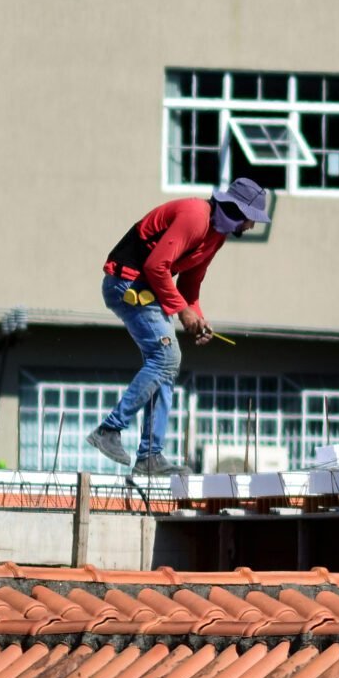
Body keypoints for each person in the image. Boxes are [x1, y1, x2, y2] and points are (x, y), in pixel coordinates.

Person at [88, 178, 273, 477]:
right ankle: (109, 429)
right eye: (252, 219)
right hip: (126, 282)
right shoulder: (195, 216)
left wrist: (197, 317)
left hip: (146, 286)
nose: (252, 226)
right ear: (238, 211)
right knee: (165, 358)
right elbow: (156, 266)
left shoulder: (217, 235)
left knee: (166, 364)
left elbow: (190, 282)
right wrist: (182, 311)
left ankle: (150, 456)